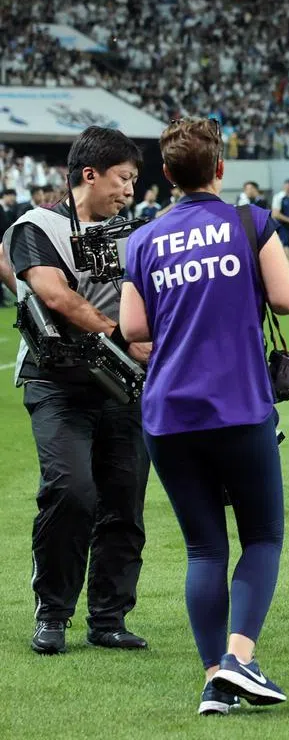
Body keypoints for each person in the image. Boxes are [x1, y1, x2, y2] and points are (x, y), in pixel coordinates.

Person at [119, 117, 289, 715]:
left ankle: (214, 681)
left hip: (168, 412)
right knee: (263, 536)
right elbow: (286, 299)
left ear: (166, 175)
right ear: (220, 169)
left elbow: (133, 329)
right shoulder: (249, 222)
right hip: (239, 404)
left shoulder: (143, 239)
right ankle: (241, 659)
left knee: (203, 549)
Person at [0, 127, 151, 655]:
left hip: (126, 390)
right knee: (70, 492)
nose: (130, 190)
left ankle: (109, 618)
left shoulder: (137, 234)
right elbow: (54, 294)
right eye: (123, 178)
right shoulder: (35, 226)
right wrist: (122, 337)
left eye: (133, 180)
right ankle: (53, 612)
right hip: (57, 384)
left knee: (125, 503)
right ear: (90, 174)